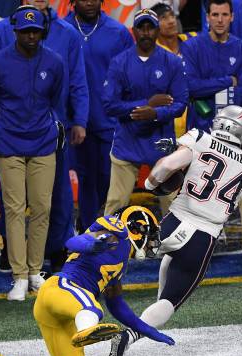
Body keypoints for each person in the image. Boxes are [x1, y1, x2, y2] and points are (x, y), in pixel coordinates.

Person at [103, 105, 242, 356]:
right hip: (204, 237)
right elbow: (234, 167)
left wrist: (155, 185)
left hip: (175, 221)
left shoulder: (200, 138)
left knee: (118, 253)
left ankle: (80, 288)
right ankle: (129, 336)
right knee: (169, 301)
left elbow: (166, 168)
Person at [0, 207, 175, 356]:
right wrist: (92, 244)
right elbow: (72, 243)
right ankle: (85, 331)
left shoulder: (120, 265)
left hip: (60, 311)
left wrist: (148, 330)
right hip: (60, 288)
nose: (151, 244)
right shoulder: (117, 232)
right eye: (150, 237)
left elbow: (117, 306)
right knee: (92, 308)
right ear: (137, 229)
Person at [0, 0, 89, 273]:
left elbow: (76, 81)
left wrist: (77, 120)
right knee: (12, 196)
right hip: (11, 130)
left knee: (56, 194)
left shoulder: (68, 33)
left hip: (49, 129)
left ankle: (56, 248)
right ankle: (11, 246)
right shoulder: (0, 32)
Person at [0, 6, 64, 301]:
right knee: (14, 208)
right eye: (25, 31)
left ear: (43, 32)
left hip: (42, 142)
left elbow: (56, 98)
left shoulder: (54, 62)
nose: (30, 36)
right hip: (8, 143)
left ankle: (34, 272)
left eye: (35, 31)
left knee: (42, 208)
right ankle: (17, 276)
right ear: (15, 31)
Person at [182, 0, 242, 276]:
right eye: (214, 14)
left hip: (237, 137)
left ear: (232, 17)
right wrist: (228, 80)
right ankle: (192, 255)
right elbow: (189, 87)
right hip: (202, 134)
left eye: (224, 14)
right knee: (195, 194)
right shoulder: (191, 47)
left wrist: (211, 89)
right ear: (207, 17)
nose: (219, 19)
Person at [102, 9, 188, 216]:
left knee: (174, 207)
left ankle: (174, 248)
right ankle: (108, 247)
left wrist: (155, 113)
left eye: (151, 28)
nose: (146, 33)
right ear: (134, 31)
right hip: (127, 143)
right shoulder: (119, 62)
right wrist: (146, 105)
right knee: (114, 204)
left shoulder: (172, 62)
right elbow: (109, 105)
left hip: (161, 144)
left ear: (157, 31)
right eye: (142, 28)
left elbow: (181, 104)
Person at [64, 0, 134, 231]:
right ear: (73, 2)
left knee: (107, 177)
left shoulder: (118, 32)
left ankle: (99, 221)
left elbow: (129, 74)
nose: (91, 2)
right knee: (85, 177)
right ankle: (87, 226)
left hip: (109, 118)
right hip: (74, 119)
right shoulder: (62, 31)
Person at [152, 2, 197, 139]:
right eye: (163, 18)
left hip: (198, 119)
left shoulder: (194, 39)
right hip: (170, 124)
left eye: (172, 16)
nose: (171, 21)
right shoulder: (153, 54)